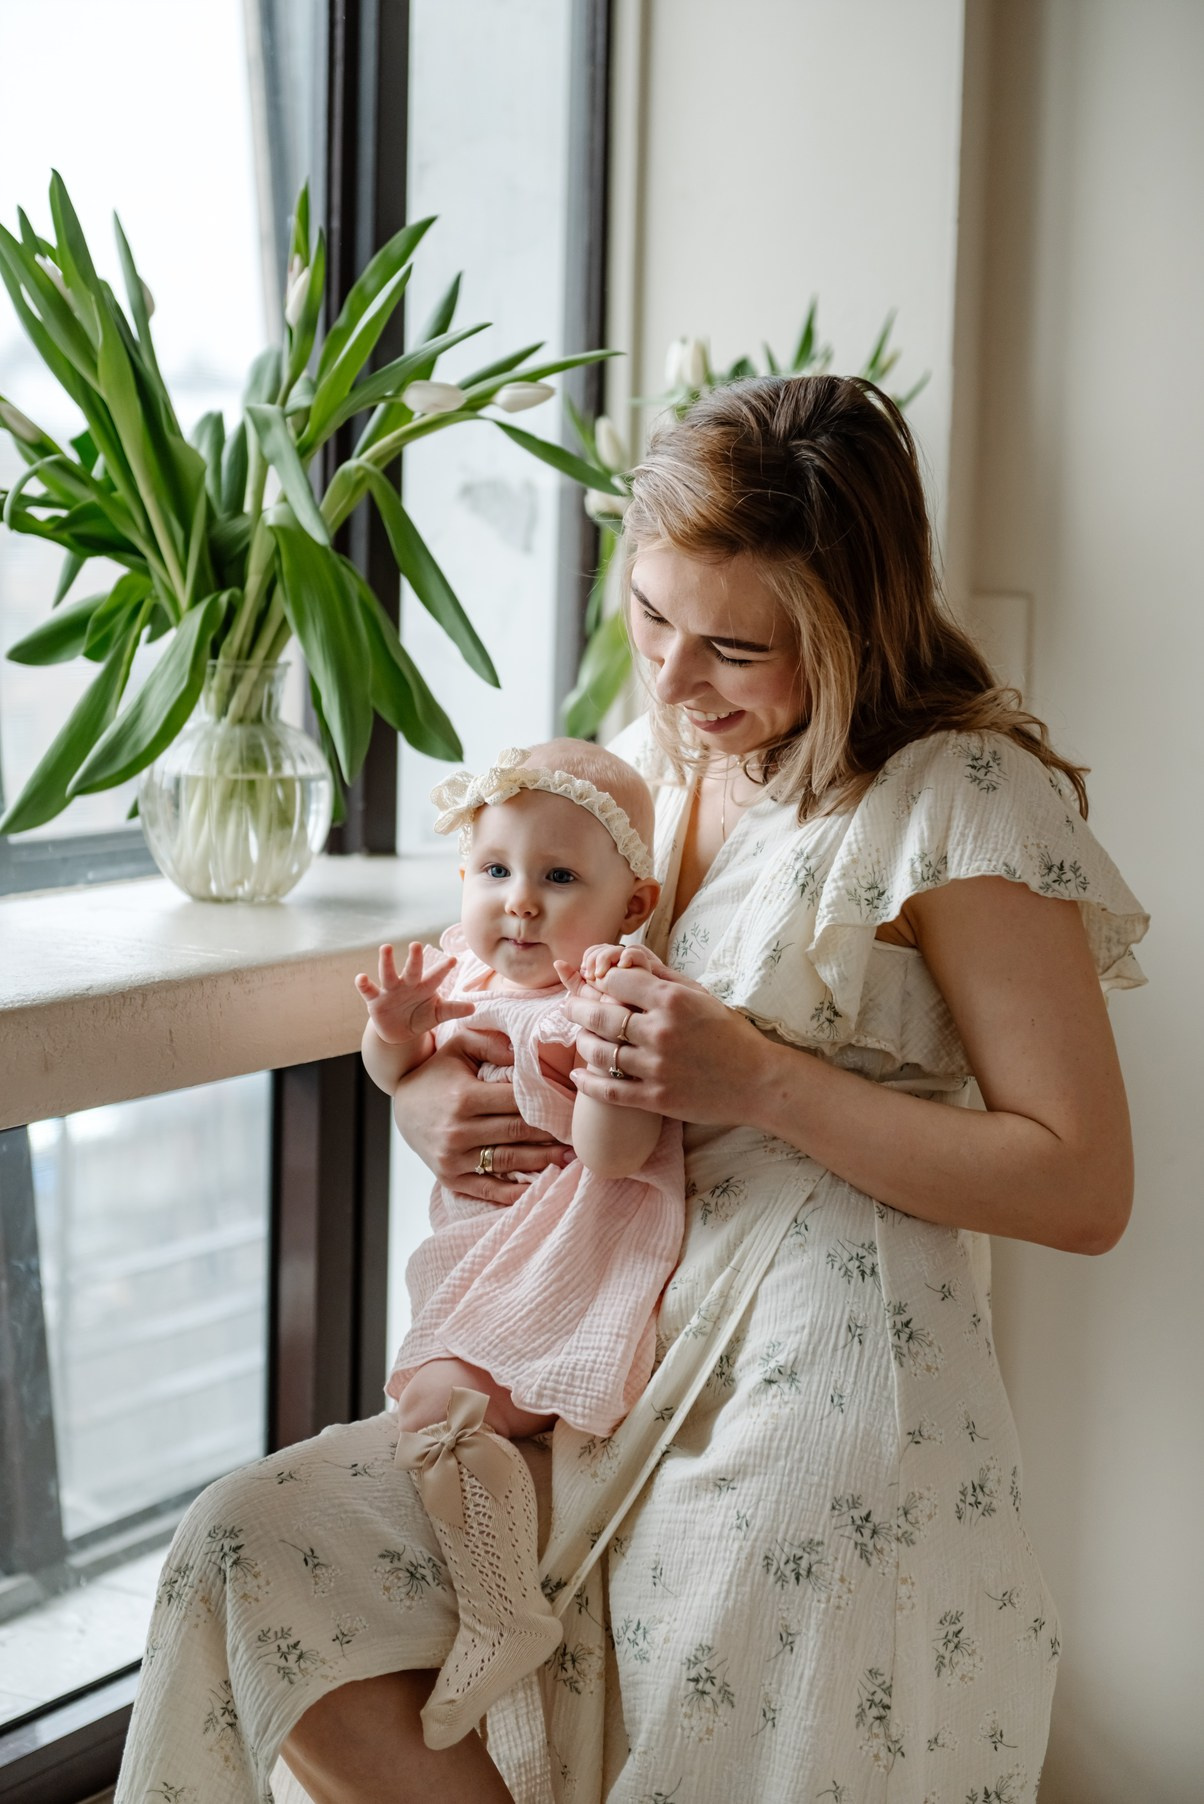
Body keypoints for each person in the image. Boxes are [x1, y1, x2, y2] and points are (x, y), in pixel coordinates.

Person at [114, 373, 1147, 1804]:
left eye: (732, 646)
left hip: (813, 1388)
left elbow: (1084, 1185)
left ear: (849, 630)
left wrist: (765, 1083)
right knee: (255, 1549)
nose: (670, 679)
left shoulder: (956, 794)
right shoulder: (663, 765)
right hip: (587, 1345)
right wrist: (436, 1106)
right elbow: (520, 985)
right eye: (652, 615)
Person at [353, 739, 684, 1750]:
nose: (521, 903)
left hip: (559, 1263)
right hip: (478, 1253)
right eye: (496, 872)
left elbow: (619, 1152)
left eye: (558, 877)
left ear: (632, 905)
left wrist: (601, 1060)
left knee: (434, 1405)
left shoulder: (605, 1003)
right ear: (463, 878)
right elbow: (391, 1072)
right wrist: (395, 1036)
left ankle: (503, 1614)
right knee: (436, 1407)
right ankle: (494, 1584)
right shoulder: (462, 973)